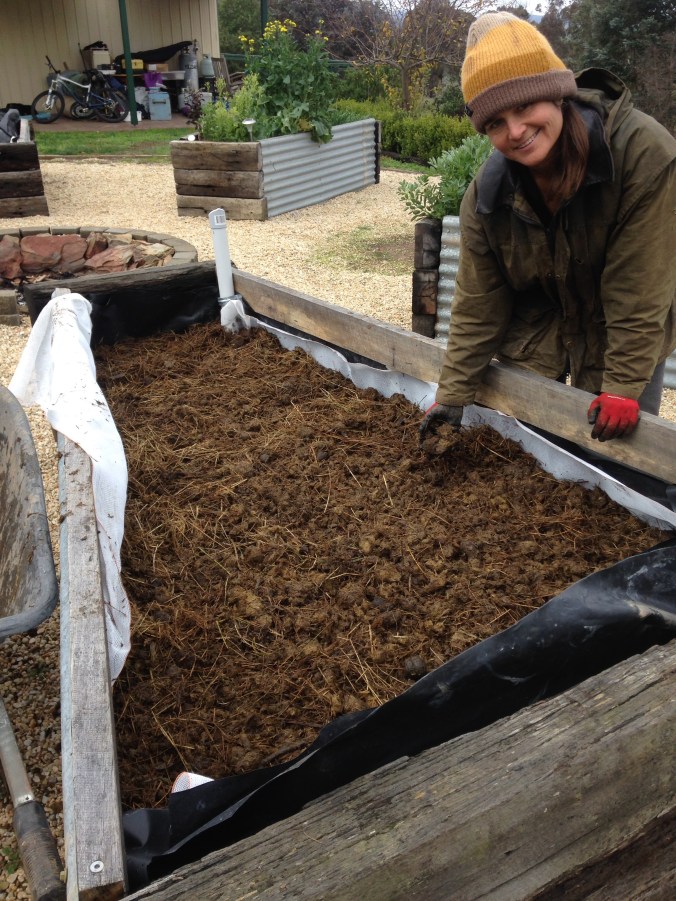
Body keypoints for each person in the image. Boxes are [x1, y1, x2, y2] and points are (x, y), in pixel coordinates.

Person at [420, 11, 676, 444]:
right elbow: (479, 301)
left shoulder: (641, 154)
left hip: (625, 325)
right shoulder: (488, 195)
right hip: (540, 329)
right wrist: (453, 394)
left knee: (619, 458)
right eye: (496, 123)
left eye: (524, 107)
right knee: (532, 451)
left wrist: (623, 386)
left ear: (556, 94)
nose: (516, 132)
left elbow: (640, 283)